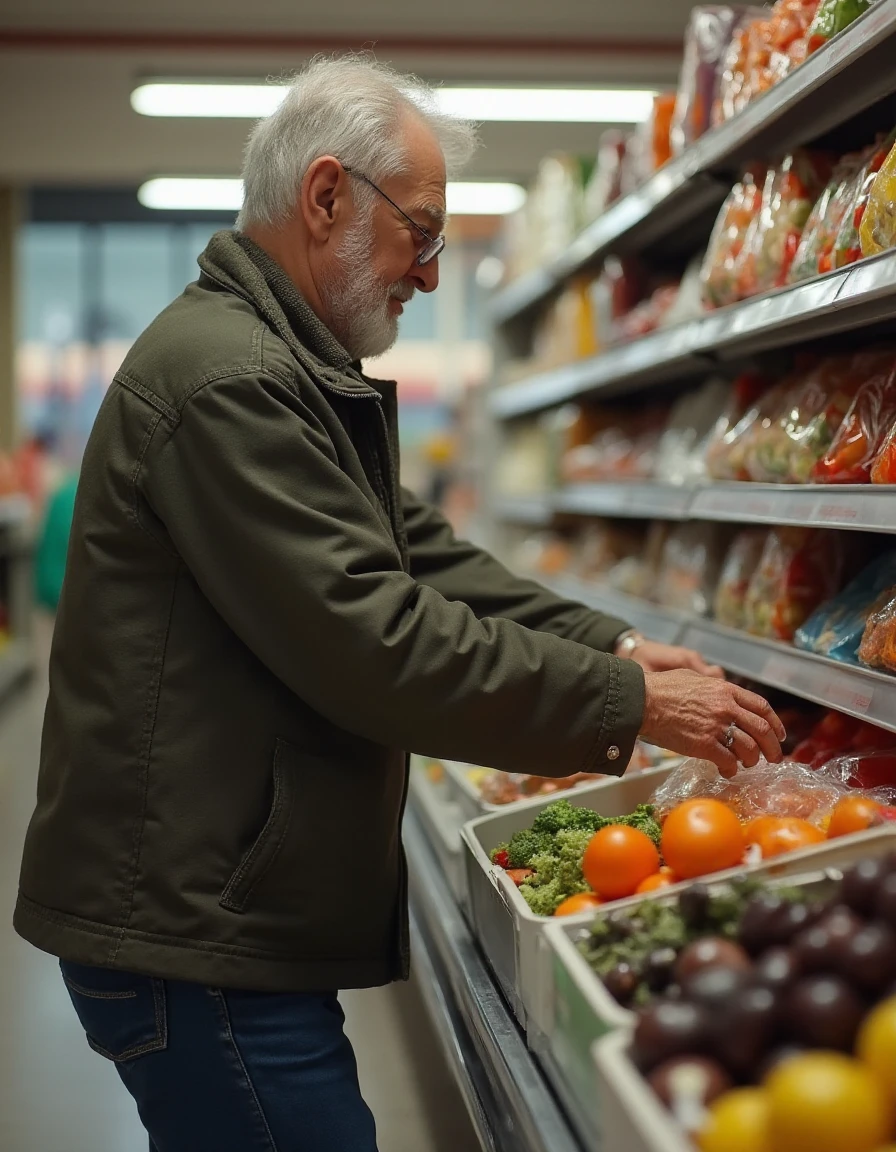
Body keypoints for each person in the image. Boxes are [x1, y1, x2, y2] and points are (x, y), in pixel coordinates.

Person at [14, 56, 785, 1152]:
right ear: (326, 195)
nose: (429, 274)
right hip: (195, 929)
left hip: (216, 904)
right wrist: (624, 704)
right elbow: (375, 643)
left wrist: (612, 643)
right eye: (420, 233)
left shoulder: (281, 364)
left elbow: (419, 554)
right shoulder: (231, 379)